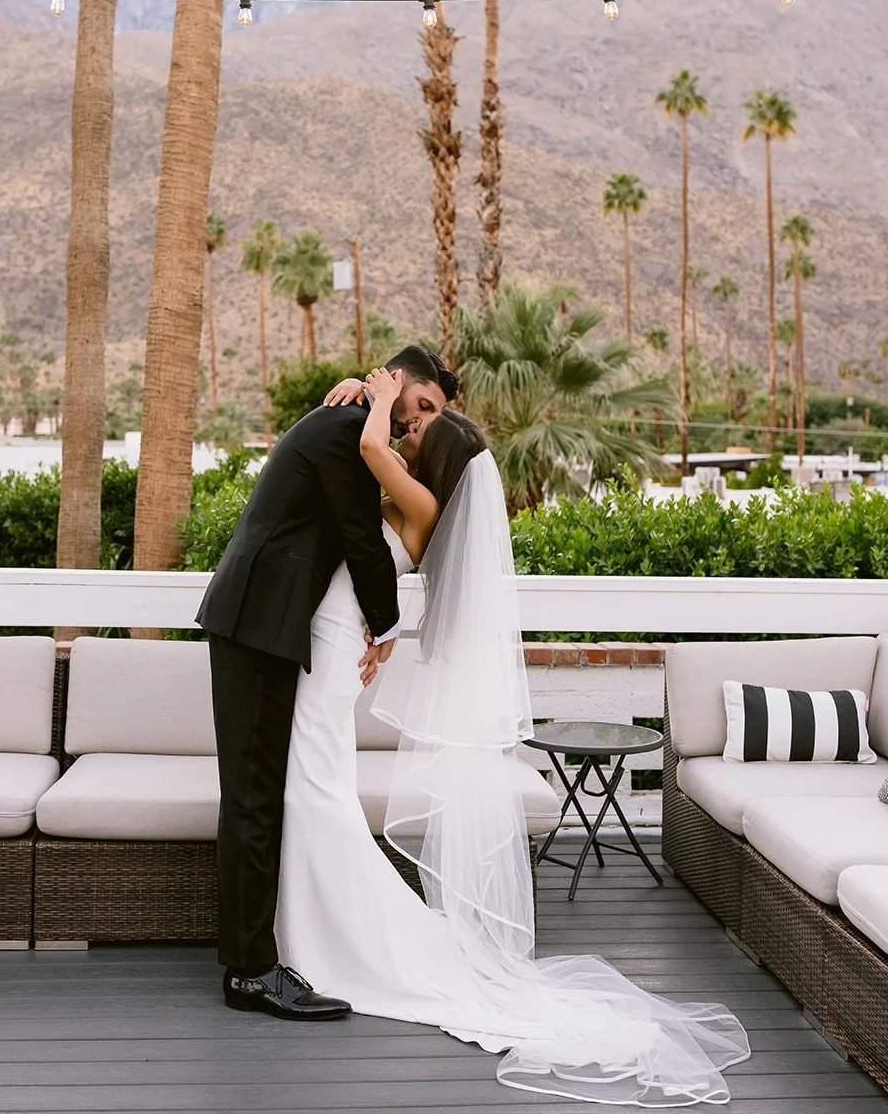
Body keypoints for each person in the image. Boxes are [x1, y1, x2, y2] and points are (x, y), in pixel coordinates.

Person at [272, 365, 751, 1105]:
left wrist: (370, 389)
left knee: (312, 787)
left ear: (438, 462)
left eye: (421, 424)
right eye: (411, 416)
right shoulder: (416, 490)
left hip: (337, 646)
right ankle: (318, 930)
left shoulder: (420, 500)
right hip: (335, 637)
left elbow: (367, 450)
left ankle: (333, 937)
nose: (407, 424)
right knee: (314, 783)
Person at [196, 345, 455, 1021]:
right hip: (257, 621)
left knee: (263, 791)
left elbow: (359, 535)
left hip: (274, 626)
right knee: (252, 795)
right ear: (395, 379)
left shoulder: (350, 422)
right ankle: (250, 973)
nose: (413, 423)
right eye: (418, 404)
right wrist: (387, 628)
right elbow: (358, 539)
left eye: (430, 416)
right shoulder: (347, 429)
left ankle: (279, 949)